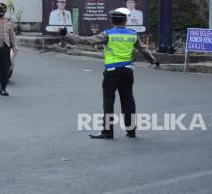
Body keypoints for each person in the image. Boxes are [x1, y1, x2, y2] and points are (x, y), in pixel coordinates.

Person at [59, 8, 159, 139]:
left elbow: (86, 40)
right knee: (128, 101)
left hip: (111, 73)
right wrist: (154, 61)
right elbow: (144, 50)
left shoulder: (107, 34)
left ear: (112, 20)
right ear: (126, 20)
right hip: (127, 72)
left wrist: (67, 34)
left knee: (108, 102)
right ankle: (131, 131)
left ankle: (107, 131)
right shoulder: (133, 34)